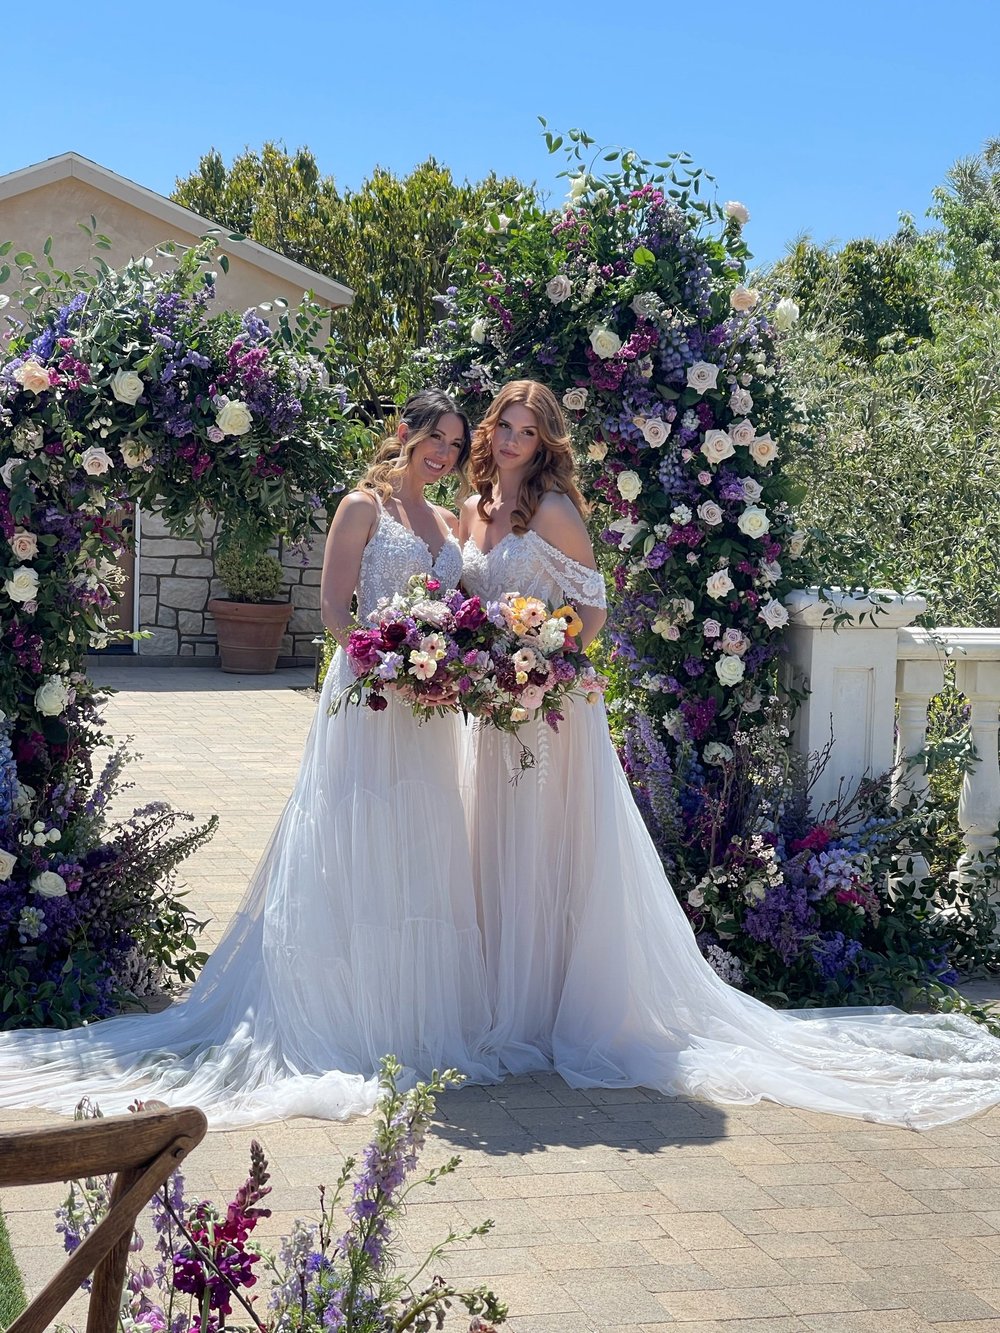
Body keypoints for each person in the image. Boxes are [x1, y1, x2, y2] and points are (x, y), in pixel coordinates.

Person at [460, 379, 1000, 1128]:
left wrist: (545, 660)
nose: (513, 438)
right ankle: (500, 995)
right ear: (490, 433)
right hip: (491, 706)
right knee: (495, 838)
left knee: (547, 843)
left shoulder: (551, 510)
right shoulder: (474, 509)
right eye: (504, 426)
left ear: (545, 441)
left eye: (527, 429)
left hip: (549, 703)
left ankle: (548, 1007)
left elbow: (592, 608)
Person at [0, 390, 499, 1127]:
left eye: (456, 443)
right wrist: (383, 662)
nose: (446, 452)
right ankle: (348, 1016)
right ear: (405, 432)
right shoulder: (363, 505)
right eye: (436, 436)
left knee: (420, 841)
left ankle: (413, 1019)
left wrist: (446, 661)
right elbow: (334, 609)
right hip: (369, 695)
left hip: (428, 710)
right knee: (357, 840)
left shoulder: (452, 521)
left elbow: (455, 609)